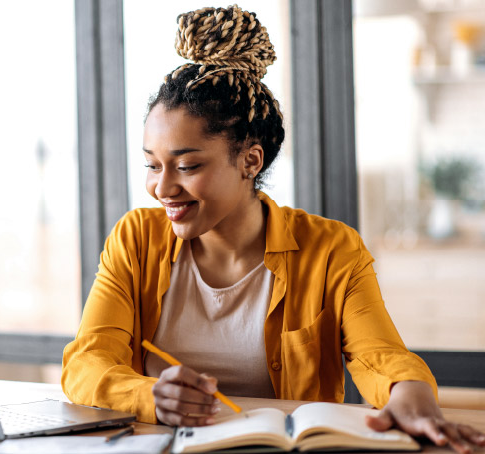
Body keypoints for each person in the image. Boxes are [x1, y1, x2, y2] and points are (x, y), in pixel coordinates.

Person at [61, 5, 485, 453]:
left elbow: (378, 354)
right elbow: (87, 361)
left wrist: (410, 392)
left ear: (250, 160)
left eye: (186, 165)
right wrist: (149, 396)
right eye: (152, 165)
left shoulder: (331, 249)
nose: (161, 188)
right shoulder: (136, 239)